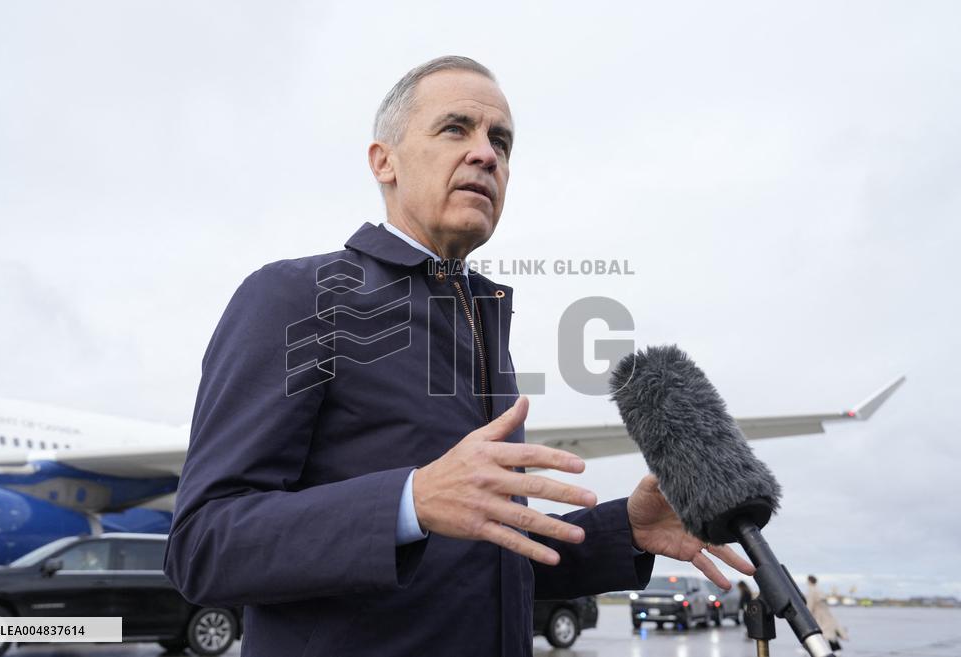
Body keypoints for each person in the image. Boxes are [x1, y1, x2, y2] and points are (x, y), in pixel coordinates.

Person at [163, 55, 753, 657]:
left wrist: (625, 529)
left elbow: (483, 566)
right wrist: (409, 501)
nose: (486, 154)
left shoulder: (482, 326)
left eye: (501, 141)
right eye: (455, 129)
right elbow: (203, 547)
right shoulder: (294, 296)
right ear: (382, 161)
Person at [806, 575, 848, 652]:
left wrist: (807, 613)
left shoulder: (811, 590)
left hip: (819, 615)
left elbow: (810, 603)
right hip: (826, 614)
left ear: (809, 581)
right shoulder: (819, 589)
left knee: (818, 632)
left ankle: (808, 649)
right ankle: (837, 650)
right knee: (829, 633)